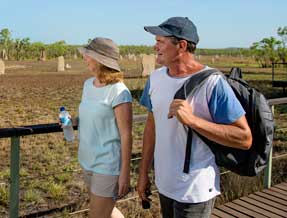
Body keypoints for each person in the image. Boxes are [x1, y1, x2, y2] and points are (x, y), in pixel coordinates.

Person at [137, 17, 252, 218]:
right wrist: (143, 173)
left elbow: (244, 138)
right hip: (164, 184)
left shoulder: (213, 84)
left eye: (160, 42)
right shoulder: (155, 79)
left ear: (181, 46)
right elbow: (151, 127)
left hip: (195, 189)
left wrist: (193, 120)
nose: (155, 47)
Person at [75, 37, 133, 218]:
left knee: (97, 215)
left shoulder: (119, 91)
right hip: (87, 160)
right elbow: (90, 116)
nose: (85, 57)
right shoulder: (88, 85)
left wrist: (124, 173)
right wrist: (72, 120)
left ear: (100, 60)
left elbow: (126, 135)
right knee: (108, 211)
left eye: (88, 55)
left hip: (107, 165)